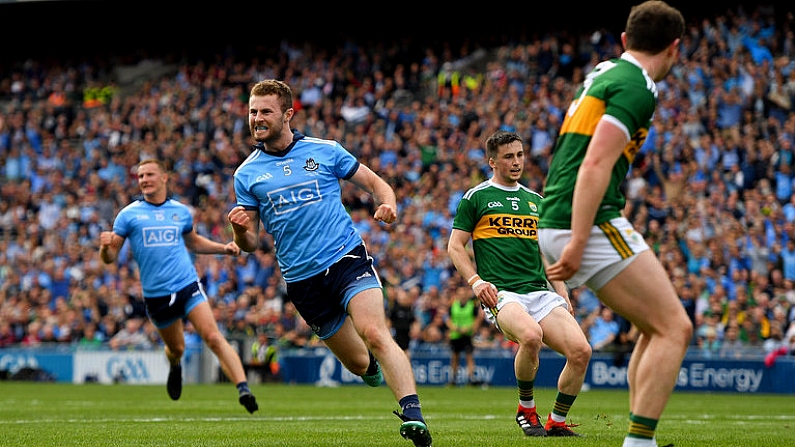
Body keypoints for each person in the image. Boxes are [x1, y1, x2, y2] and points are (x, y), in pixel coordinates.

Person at [227, 79, 431, 447]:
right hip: (302, 281)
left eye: (265, 111)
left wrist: (389, 204)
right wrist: (240, 232)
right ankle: (370, 370)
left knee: (374, 332)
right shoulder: (246, 174)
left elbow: (377, 183)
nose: (256, 118)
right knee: (357, 362)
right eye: (253, 111)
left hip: (345, 257)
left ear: (288, 113)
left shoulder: (325, 150)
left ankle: (413, 413)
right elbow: (252, 244)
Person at [537, 3, 691, 447]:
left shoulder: (605, 72)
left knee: (654, 326)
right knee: (674, 329)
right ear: (674, 48)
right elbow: (596, 163)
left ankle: (640, 438)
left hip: (568, 213)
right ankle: (639, 442)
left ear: (625, 40)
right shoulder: (637, 86)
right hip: (583, 218)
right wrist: (580, 238)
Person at [447, 130, 592, 437]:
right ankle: (526, 409)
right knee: (531, 335)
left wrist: (563, 292)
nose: (516, 162)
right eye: (508, 157)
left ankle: (557, 421)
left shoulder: (536, 201)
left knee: (581, 351)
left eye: (520, 155)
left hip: (540, 292)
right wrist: (475, 282)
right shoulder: (477, 198)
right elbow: (455, 247)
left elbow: (547, 255)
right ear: (492, 162)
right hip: (502, 293)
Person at [99, 158, 258, 414]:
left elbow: (193, 242)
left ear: (164, 177)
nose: (144, 180)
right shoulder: (129, 215)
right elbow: (109, 257)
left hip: (186, 285)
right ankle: (175, 365)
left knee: (214, 337)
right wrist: (105, 247)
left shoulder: (180, 211)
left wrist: (223, 248)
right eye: (140, 176)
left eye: (149, 174)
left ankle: (243, 389)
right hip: (156, 296)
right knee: (176, 348)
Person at [445, 285, 483, 387]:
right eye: (460, 293)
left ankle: (471, 378)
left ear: (467, 294)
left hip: (467, 334)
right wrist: (454, 328)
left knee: (469, 356)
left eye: (464, 293)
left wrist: (470, 328)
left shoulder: (472, 306)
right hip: (455, 335)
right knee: (455, 357)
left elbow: (477, 319)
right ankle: (453, 379)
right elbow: (448, 319)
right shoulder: (453, 305)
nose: (462, 295)